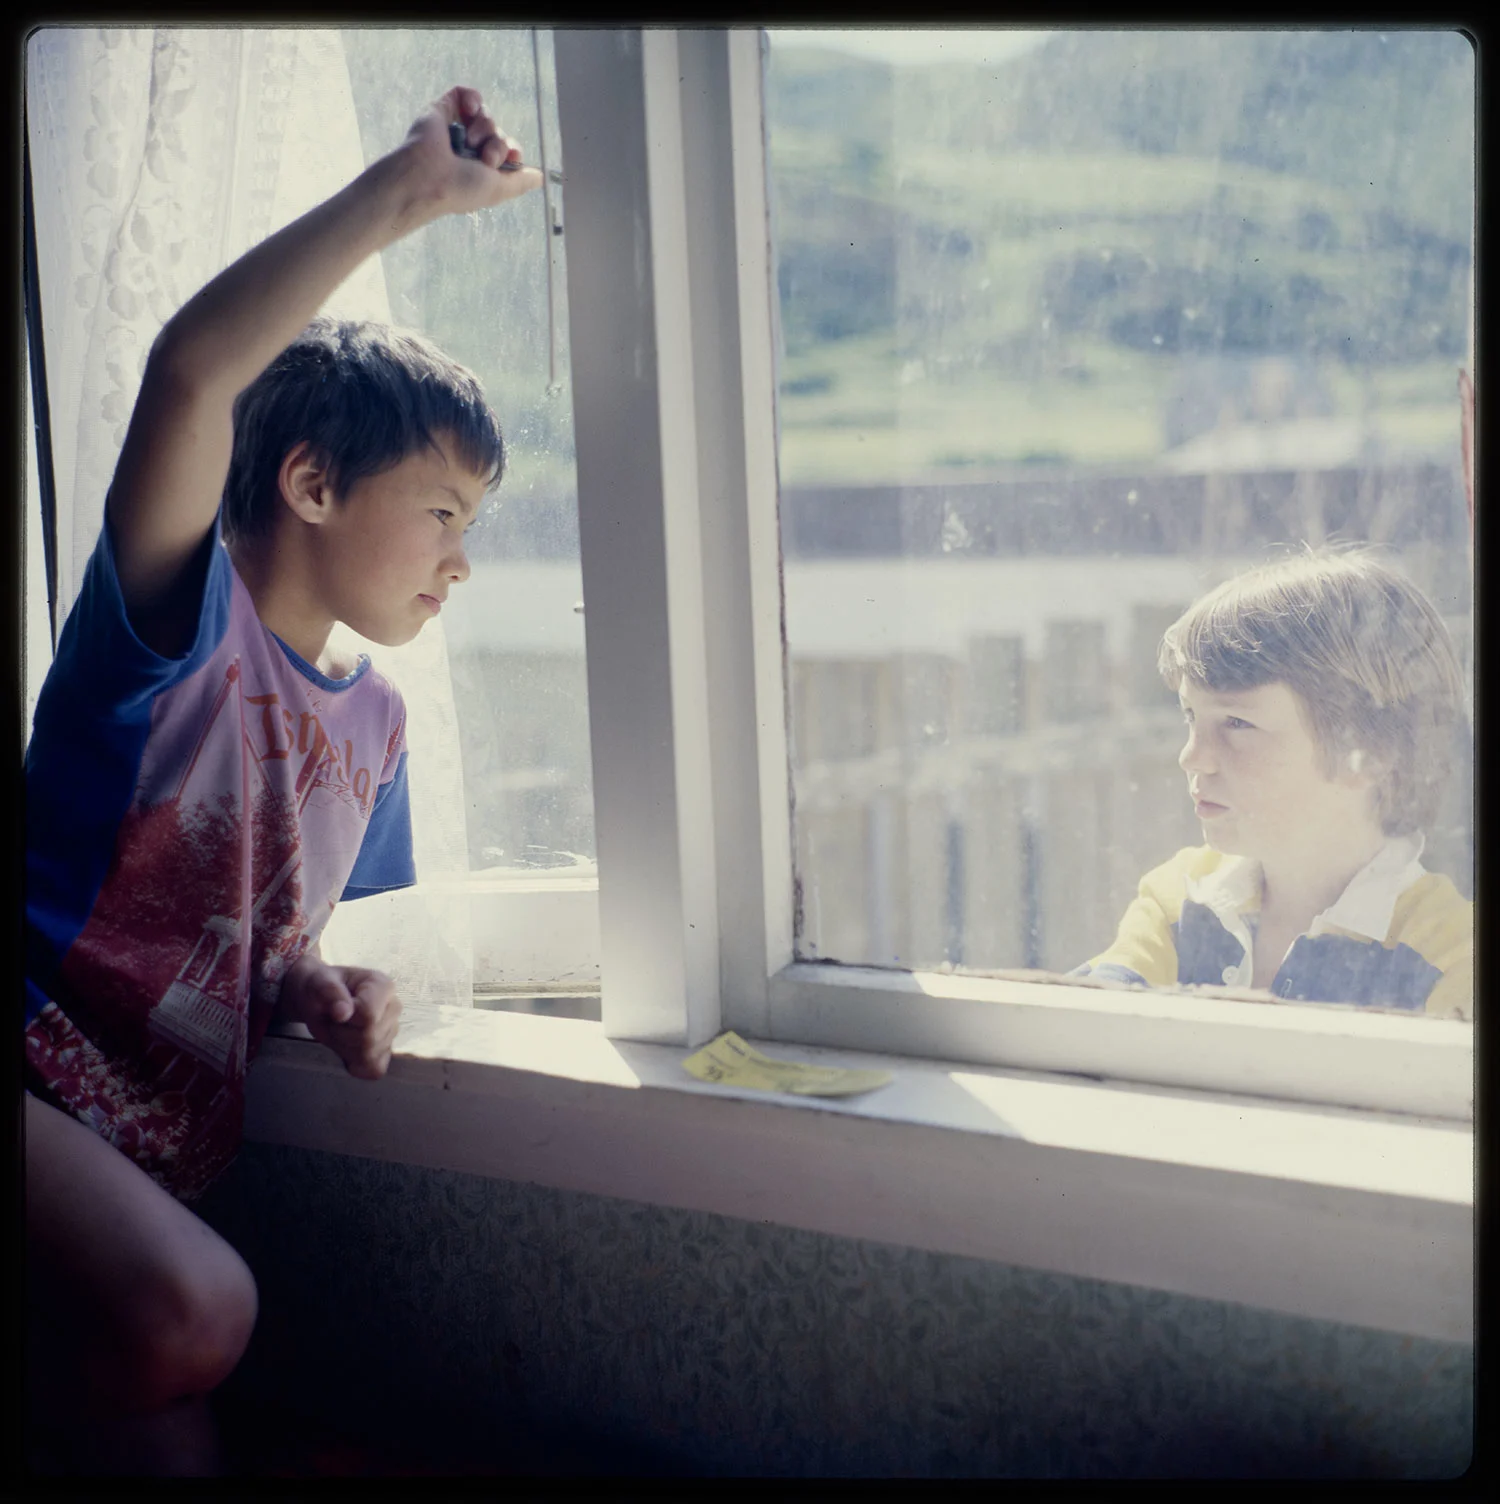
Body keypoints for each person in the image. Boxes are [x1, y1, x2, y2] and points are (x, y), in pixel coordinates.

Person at [23, 86, 542, 1474]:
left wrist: (314, 986)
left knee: (178, 1445)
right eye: (442, 512)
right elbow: (194, 371)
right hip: (28, 1069)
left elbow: (257, 934)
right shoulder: (171, 627)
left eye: (473, 527)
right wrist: (402, 196)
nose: (461, 560)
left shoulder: (374, 725)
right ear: (310, 484)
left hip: (128, 1151)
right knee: (204, 1311)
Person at [1074, 549, 1472, 1018]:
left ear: (1369, 753)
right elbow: (1081, 1029)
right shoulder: (1179, 899)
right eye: (1190, 717)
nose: (1191, 756)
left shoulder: (1453, 957)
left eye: (1237, 723)